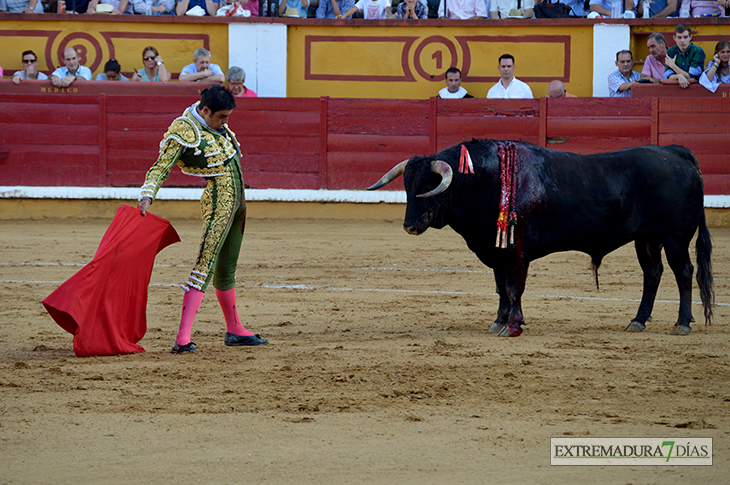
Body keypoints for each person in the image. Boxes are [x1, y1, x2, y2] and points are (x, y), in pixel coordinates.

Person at [138, 85, 268, 354]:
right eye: (221, 117)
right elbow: (160, 166)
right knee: (204, 264)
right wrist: (147, 195)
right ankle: (182, 338)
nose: (225, 122)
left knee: (226, 268)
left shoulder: (217, 125)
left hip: (238, 204)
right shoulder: (184, 129)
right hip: (219, 202)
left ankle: (234, 329)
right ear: (205, 110)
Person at [664, 24, 706, 88]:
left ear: (690, 37)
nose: (682, 40)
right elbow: (667, 75)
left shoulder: (697, 51)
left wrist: (673, 66)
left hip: (696, 89)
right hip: (675, 89)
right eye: (679, 37)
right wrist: (679, 76)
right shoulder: (671, 51)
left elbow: (692, 76)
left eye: (685, 37)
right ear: (674, 38)